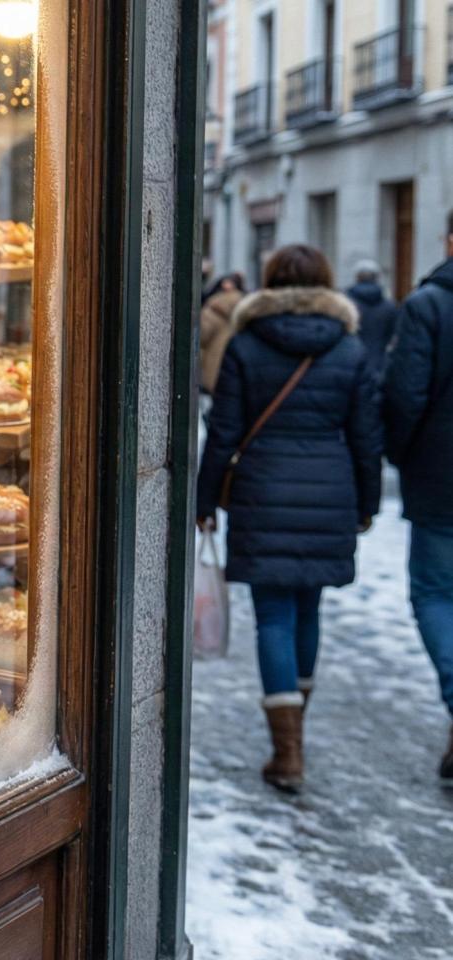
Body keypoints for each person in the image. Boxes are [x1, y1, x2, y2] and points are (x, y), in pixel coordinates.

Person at [196, 244, 381, 793]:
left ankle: (287, 751)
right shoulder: (348, 349)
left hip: (262, 490)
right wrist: (366, 505)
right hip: (330, 490)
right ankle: (294, 735)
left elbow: (224, 431)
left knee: (274, 614)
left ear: (270, 282)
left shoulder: (247, 344)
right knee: (308, 607)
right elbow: (367, 438)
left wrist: (205, 500)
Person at [381, 208, 453, 784]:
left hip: (441, 478)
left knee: (433, 592)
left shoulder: (428, 306)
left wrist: (404, 455)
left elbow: (404, 395)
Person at [346, 259, 397, 376]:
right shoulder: (389, 306)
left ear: (357, 277)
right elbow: (393, 337)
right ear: (377, 277)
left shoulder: (346, 305)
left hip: (351, 365)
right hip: (379, 366)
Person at [199, 272, 245, 394]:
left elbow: (201, 336)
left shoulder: (214, 307)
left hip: (212, 368)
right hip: (237, 367)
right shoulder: (245, 308)